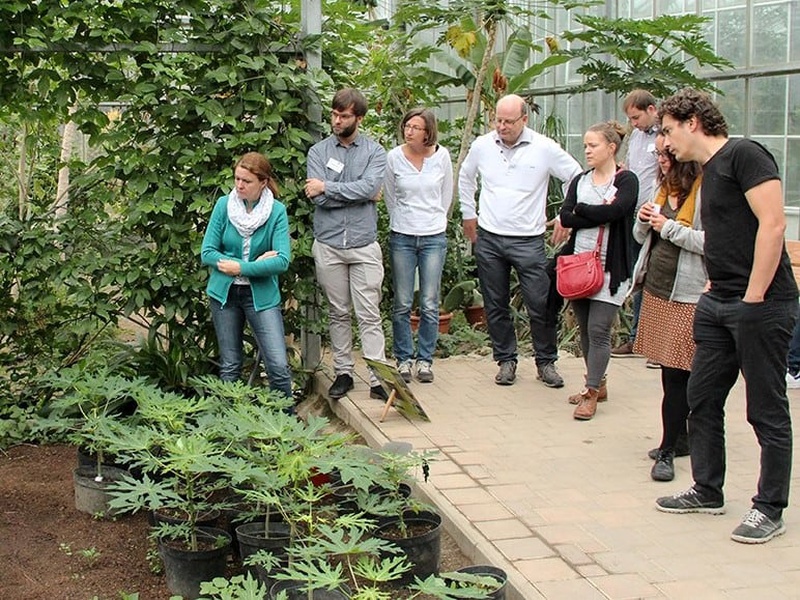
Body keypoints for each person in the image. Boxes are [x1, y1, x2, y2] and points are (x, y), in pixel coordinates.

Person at [655, 88, 798, 544]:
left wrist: (753, 297)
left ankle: (769, 508)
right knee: (701, 396)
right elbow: (727, 235)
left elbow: (773, 225)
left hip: (761, 304)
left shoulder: (745, 155)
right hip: (718, 302)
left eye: (668, 130)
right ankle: (707, 489)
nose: (664, 142)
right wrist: (718, 280)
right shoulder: (708, 171)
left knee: (765, 409)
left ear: (692, 121)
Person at [458, 94, 581, 389]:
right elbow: (465, 177)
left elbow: (575, 176)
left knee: (540, 303)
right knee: (495, 303)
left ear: (524, 119)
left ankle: (545, 362)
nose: (501, 126)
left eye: (508, 121)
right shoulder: (482, 146)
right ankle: (506, 361)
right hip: (489, 237)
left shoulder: (544, 148)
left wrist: (566, 214)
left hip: (529, 240)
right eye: (498, 120)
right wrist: (468, 214)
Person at [305, 88, 389, 402]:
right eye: (335, 114)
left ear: (359, 118)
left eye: (344, 116)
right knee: (338, 312)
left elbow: (370, 186)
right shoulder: (318, 152)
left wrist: (328, 185)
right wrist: (358, 194)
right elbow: (318, 198)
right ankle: (343, 372)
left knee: (369, 313)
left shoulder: (375, 152)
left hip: (363, 244)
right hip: (328, 244)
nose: (337, 120)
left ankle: (378, 377)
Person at [630, 134, 704, 481]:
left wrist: (668, 227)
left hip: (686, 295)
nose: (661, 159)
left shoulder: (703, 192)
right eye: (658, 154)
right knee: (668, 372)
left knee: (678, 374)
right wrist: (645, 221)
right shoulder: (661, 190)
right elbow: (640, 236)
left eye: (667, 153)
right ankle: (680, 436)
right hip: (658, 288)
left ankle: (668, 449)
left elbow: (710, 242)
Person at [559, 121, 638, 420]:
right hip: (580, 266)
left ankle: (590, 393)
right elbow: (566, 217)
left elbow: (617, 211)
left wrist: (583, 211)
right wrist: (586, 214)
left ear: (611, 148)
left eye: (593, 145)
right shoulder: (580, 181)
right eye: (586, 146)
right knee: (585, 330)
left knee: (599, 329)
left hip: (611, 268)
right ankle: (599, 383)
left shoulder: (626, 180)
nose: (587, 150)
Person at [201, 152, 293, 399]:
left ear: (263, 182)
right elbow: (207, 252)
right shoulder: (224, 205)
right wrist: (253, 264)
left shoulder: (276, 212)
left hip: (260, 296)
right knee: (230, 365)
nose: (239, 185)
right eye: (237, 179)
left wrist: (241, 268)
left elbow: (282, 260)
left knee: (278, 365)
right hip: (225, 295)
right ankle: (227, 426)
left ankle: (285, 424)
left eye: (247, 181)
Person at [384, 108, 453, 384]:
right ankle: (403, 358)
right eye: (407, 126)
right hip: (402, 234)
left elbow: (447, 194)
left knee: (429, 300)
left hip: (433, 235)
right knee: (401, 301)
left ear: (428, 132)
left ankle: (425, 360)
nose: (409, 131)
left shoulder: (442, 157)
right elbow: (390, 195)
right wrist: (402, 219)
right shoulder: (394, 158)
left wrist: (437, 220)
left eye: (415, 127)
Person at [611, 90, 661, 363]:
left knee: (655, 278)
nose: (633, 123)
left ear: (652, 109)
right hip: (637, 216)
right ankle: (636, 339)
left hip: (658, 216)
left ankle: (652, 343)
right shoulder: (637, 137)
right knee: (638, 276)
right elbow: (631, 169)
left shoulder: (665, 136)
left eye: (636, 117)